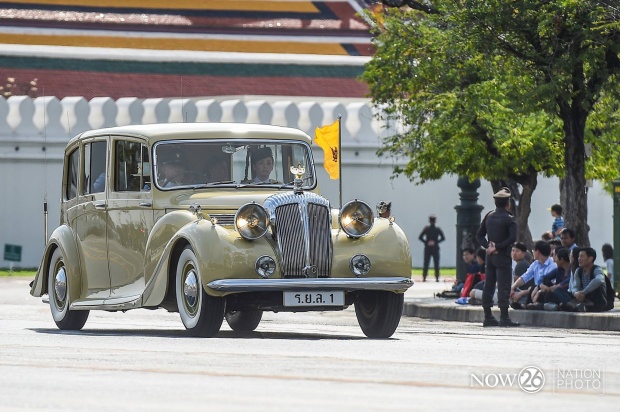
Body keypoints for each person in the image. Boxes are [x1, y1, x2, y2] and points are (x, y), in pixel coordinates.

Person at [475, 187, 519, 327]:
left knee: (489, 285)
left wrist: (488, 246)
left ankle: (488, 315)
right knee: (503, 285)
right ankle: (504, 317)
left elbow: (479, 235)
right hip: (503, 256)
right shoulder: (509, 219)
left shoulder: (489, 216)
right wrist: (498, 246)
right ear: (508, 203)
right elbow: (512, 238)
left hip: (490, 257)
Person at [510, 240, 557, 308]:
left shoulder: (552, 266)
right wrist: (513, 287)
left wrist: (537, 290)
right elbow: (525, 277)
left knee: (535, 288)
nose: (533, 252)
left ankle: (528, 305)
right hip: (533, 291)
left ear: (538, 252)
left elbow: (549, 285)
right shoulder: (535, 264)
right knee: (530, 288)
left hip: (545, 291)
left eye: (533, 250)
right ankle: (526, 304)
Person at [569, 247, 608, 312]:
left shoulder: (597, 269)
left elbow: (599, 280)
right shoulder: (578, 270)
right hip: (583, 298)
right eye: (579, 256)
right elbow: (575, 287)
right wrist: (576, 293)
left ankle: (577, 305)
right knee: (561, 292)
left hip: (595, 300)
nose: (579, 259)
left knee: (596, 286)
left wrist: (584, 292)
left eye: (582, 256)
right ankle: (581, 305)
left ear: (590, 258)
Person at [418, 214, 445, 282]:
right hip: (433, 248)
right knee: (431, 263)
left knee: (431, 263)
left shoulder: (428, 229)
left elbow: (420, 237)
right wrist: (434, 242)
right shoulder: (435, 229)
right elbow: (442, 238)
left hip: (430, 248)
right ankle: (433, 277)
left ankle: (430, 277)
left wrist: (427, 242)